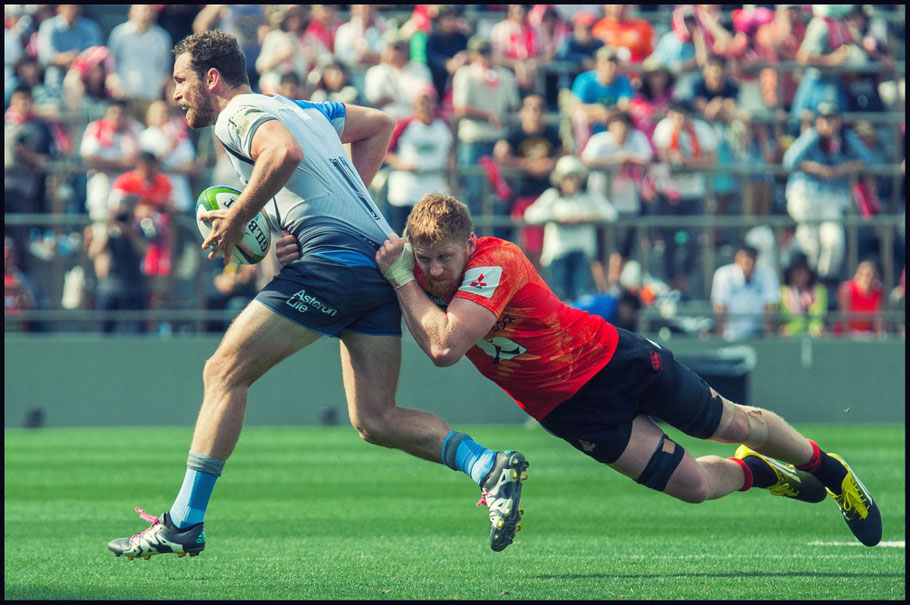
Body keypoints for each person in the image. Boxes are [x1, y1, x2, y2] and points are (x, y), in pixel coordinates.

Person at [108, 31, 528, 561]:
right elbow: (379, 124)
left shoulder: (238, 113)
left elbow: (283, 153)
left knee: (223, 372)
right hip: (379, 264)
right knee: (374, 418)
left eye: (181, 81)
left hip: (335, 264)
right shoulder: (298, 107)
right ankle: (488, 466)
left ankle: (184, 522)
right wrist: (332, 211)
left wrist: (238, 217)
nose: (175, 94)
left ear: (212, 78)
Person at [369, 192, 882, 548]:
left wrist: (401, 281)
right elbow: (377, 277)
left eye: (445, 258)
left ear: (470, 245)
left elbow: (443, 347)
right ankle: (761, 472)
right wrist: (293, 250)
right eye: (425, 259)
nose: (434, 271)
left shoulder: (494, 262)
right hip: (571, 412)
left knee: (732, 423)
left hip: (614, 362)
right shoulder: (414, 272)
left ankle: (828, 469)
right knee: (693, 488)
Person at [782, 102, 873, 283]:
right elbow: (788, 161)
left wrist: (840, 169)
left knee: (834, 242)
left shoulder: (846, 137)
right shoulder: (811, 136)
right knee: (810, 244)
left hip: (833, 199)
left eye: (832, 119)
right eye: (824, 119)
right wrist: (818, 169)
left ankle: (824, 282)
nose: (829, 124)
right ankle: (810, 283)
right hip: (807, 197)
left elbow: (868, 160)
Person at [523, 155, 618, 301]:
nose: (572, 182)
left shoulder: (589, 196)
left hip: (582, 254)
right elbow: (530, 215)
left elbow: (611, 214)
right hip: (557, 255)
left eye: (575, 177)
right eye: (568, 178)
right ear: (560, 179)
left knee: (581, 299)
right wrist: (557, 218)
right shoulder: (552, 196)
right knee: (558, 299)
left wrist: (585, 218)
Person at [581, 111, 653, 288]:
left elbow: (648, 159)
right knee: (600, 245)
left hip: (628, 201)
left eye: (624, 125)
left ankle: (615, 283)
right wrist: (615, 159)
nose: (621, 129)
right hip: (600, 202)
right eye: (617, 125)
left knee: (624, 243)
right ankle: (603, 286)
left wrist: (629, 158)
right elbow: (587, 160)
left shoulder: (637, 139)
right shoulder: (599, 141)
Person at [451, 35, 521, 217]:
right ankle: (474, 240)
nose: (484, 56)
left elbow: (514, 107)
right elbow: (461, 108)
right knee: (474, 194)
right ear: (472, 54)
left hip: (499, 143)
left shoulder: (505, 76)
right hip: (474, 142)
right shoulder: (465, 74)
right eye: (480, 52)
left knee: (501, 195)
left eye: (487, 52)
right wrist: (489, 115)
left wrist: (504, 118)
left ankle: (496, 240)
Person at [384, 84, 454, 234]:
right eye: (422, 102)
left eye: (430, 101)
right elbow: (386, 152)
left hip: (435, 189)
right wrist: (402, 165)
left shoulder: (444, 124)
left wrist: (450, 161)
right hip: (406, 190)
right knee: (402, 235)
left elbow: (452, 146)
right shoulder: (404, 125)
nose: (427, 106)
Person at [107, 5, 173, 108]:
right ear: (132, 12)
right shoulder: (119, 34)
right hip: (125, 98)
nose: (147, 14)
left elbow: (164, 68)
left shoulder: (162, 37)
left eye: (151, 10)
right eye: (144, 10)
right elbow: (110, 64)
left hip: (151, 98)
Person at [710, 244, 780, 341]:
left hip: (759, 335)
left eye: (752, 259)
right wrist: (722, 340)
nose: (749, 263)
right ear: (737, 259)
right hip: (731, 335)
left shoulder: (768, 274)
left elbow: (769, 308)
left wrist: (768, 340)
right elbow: (720, 308)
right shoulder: (723, 275)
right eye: (745, 259)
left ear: (756, 260)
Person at [363, 37, 433, 120]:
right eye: (391, 49)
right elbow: (374, 98)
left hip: (414, 118)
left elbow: (423, 98)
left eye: (398, 48)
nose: (395, 53)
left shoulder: (420, 69)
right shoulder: (376, 72)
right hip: (385, 118)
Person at [779, 253, 827, 337]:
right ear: (790, 274)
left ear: (808, 273)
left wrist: (815, 328)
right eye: (796, 272)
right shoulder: (784, 291)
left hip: (815, 335)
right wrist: (791, 328)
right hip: (791, 336)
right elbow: (785, 316)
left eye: (802, 272)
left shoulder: (819, 290)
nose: (799, 275)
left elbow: (819, 316)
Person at [836, 259, 884, 337]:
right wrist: (852, 336)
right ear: (858, 275)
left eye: (873, 275)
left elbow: (877, 321)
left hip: (867, 336)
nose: (870, 279)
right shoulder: (847, 290)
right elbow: (844, 319)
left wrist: (880, 336)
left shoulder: (877, 292)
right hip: (845, 336)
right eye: (867, 275)